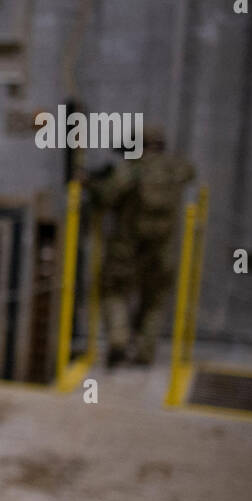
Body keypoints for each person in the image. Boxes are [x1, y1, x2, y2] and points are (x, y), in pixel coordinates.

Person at [89, 127, 196, 366]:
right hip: (162, 251)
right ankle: (145, 351)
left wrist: (93, 183)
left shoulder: (131, 170)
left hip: (125, 250)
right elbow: (190, 171)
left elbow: (105, 197)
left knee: (113, 291)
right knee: (154, 301)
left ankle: (118, 337)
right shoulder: (175, 169)